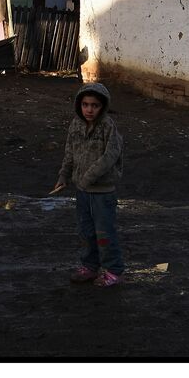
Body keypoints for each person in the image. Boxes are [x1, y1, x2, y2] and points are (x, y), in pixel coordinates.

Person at [52, 82, 125, 287]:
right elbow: (70, 152)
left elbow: (110, 156)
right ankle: (90, 266)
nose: (89, 109)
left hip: (102, 192)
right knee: (86, 231)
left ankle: (114, 271)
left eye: (95, 105)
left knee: (104, 233)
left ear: (103, 107)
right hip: (82, 192)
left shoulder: (108, 126)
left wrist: (87, 178)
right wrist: (64, 175)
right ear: (79, 105)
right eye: (85, 104)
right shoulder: (75, 125)